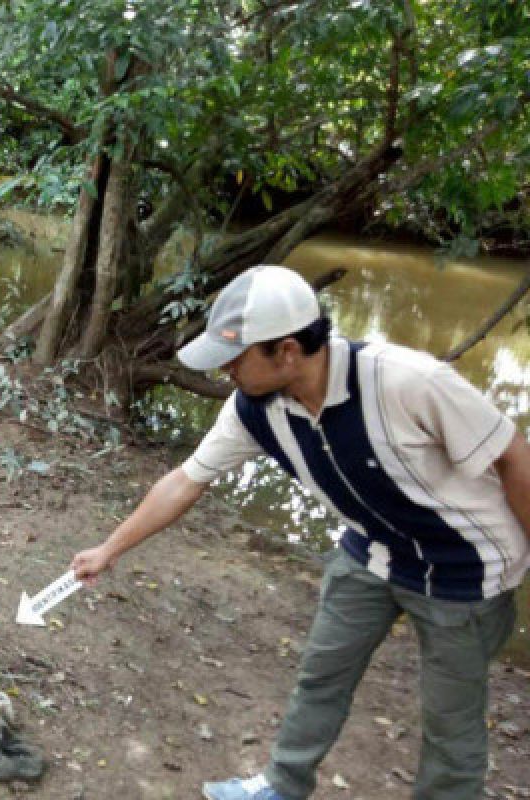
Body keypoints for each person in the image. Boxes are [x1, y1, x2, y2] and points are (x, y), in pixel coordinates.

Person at [70, 265, 530, 799]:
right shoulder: (253, 410)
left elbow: (513, 457)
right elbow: (184, 481)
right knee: (321, 676)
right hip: (371, 552)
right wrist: (109, 549)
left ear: (287, 352)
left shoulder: (405, 381)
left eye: (234, 359)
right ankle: (282, 787)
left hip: (465, 570)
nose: (226, 373)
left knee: (451, 724)